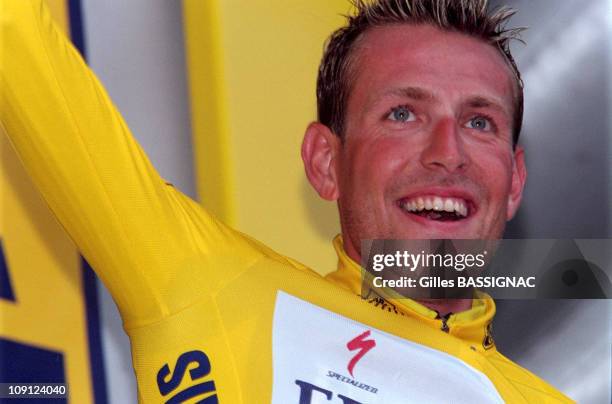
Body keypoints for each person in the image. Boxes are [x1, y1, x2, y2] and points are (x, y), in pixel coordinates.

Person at [1, 0, 572, 402]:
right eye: (403, 113)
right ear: (325, 162)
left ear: (515, 181)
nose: (448, 153)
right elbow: (15, 33)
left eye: (479, 121)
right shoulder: (205, 284)